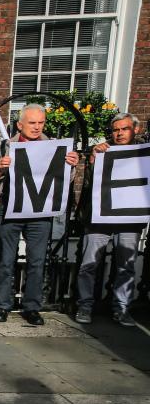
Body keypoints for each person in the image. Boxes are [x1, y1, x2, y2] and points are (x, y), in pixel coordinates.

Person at [0, 104, 80, 325]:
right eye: (32, 123)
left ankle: (32, 307)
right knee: (5, 260)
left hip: (40, 213)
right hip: (11, 210)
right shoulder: (7, 146)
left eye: (41, 123)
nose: (37, 127)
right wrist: (1, 169)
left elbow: (62, 182)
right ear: (20, 124)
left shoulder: (52, 147)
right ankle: (2, 305)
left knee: (37, 261)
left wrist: (72, 166)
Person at [75, 113, 146, 327]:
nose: (120, 133)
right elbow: (89, 186)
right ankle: (85, 305)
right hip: (100, 217)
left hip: (130, 218)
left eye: (124, 129)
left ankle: (121, 308)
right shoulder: (103, 151)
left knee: (126, 265)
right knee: (89, 264)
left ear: (136, 130)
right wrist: (93, 161)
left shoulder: (144, 153)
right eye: (116, 129)